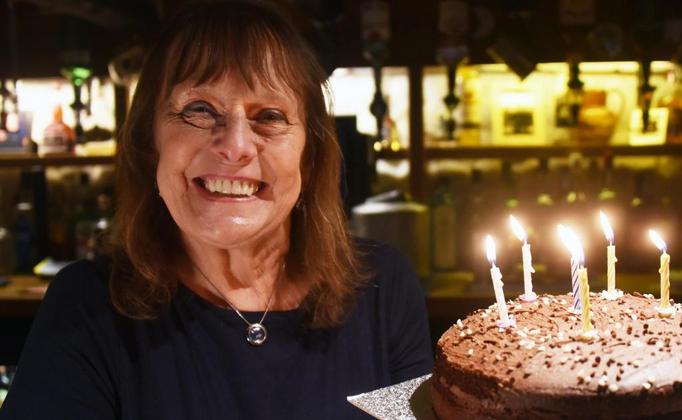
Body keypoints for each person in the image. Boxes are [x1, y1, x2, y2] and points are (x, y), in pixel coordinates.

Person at [0, 2, 432, 418]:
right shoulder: (86, 306)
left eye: (270, 116)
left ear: (310, 155)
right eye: (199, 110)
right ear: (150, 145)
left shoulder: (382, 289)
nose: (236, 147)